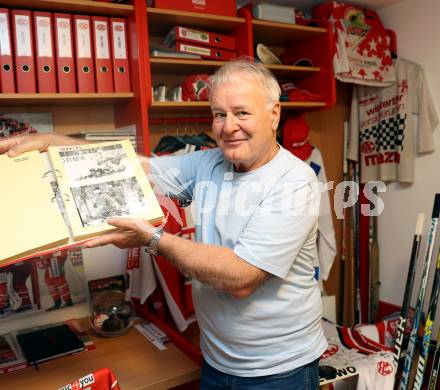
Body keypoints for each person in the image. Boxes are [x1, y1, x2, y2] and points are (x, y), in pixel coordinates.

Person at [0, 60, 326, 389]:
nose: (228, 127)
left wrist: (153, 238)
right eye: (219, 114)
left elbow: (241, 277)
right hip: (217, 360)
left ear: (274, 114)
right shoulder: (210, 161)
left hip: (280, 371)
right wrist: (52, 143)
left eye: (241, 113)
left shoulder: (294, 182)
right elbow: (136, 169)